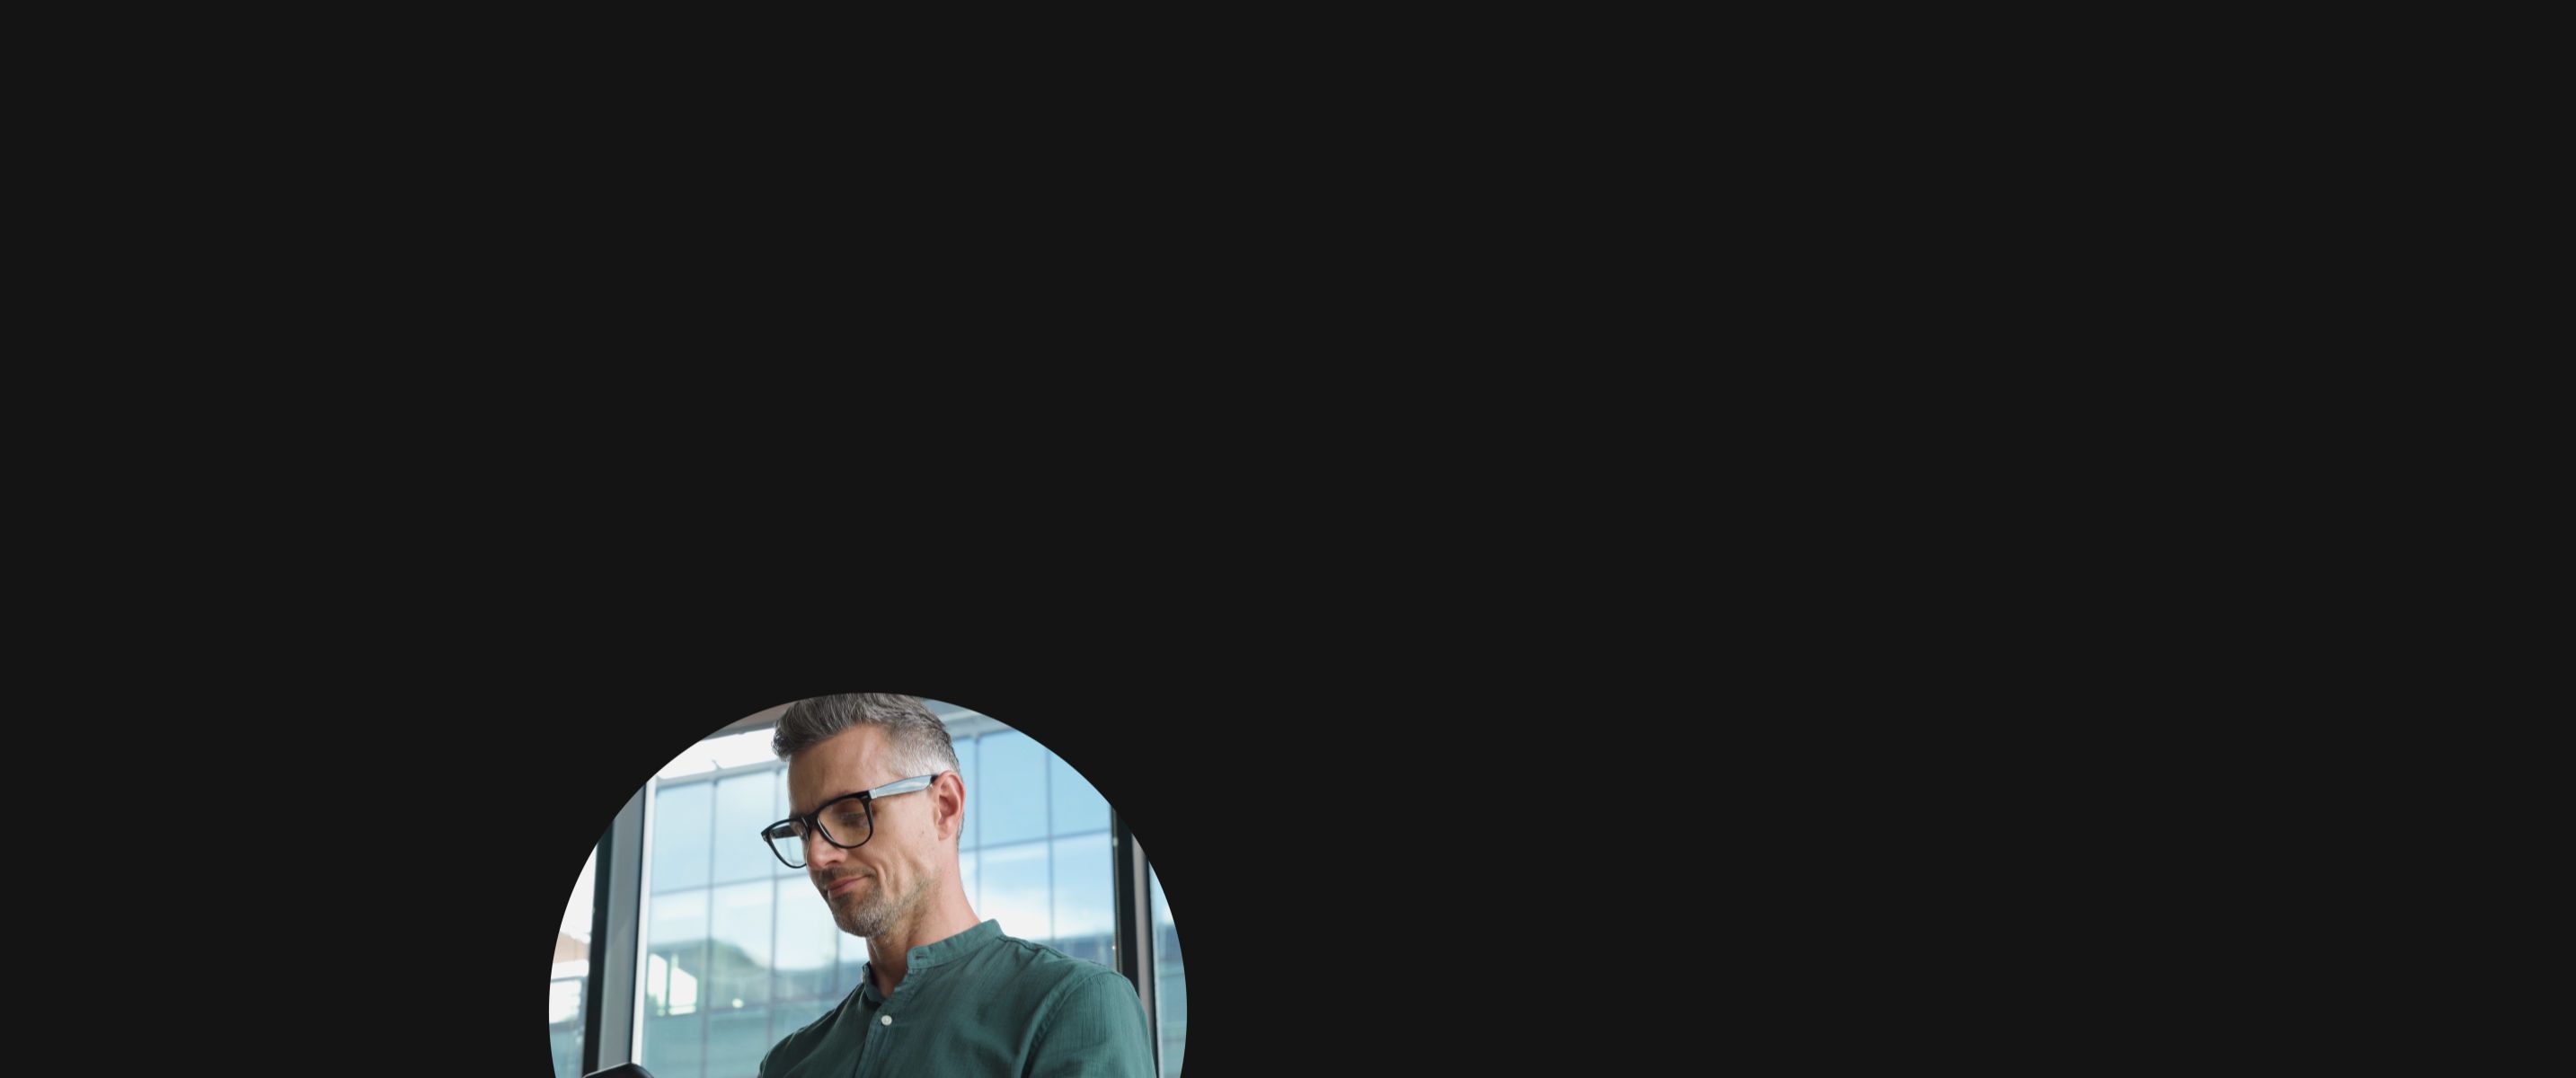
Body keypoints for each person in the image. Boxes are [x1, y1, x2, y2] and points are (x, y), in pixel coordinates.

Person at [756, 694, 1155, 1078]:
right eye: (803, 832)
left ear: (944, 806)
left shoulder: (1072, 1004)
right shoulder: (788, 1063)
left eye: (851, 815)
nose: (816, 857)